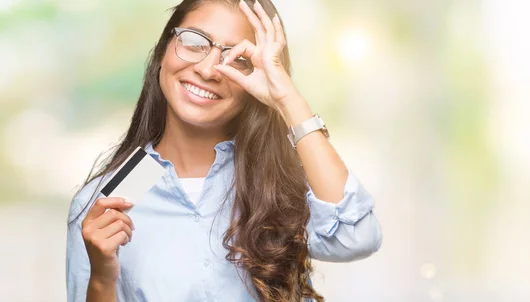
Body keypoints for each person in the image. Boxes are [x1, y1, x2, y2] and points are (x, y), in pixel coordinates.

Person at [65, 0, 382, 301]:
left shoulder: (278, 186)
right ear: (163, 50)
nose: (208, 69)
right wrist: (102, 279)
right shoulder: (113, 198)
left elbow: (357, 237)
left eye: (238, 59)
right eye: (194, 42)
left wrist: (287, 98)